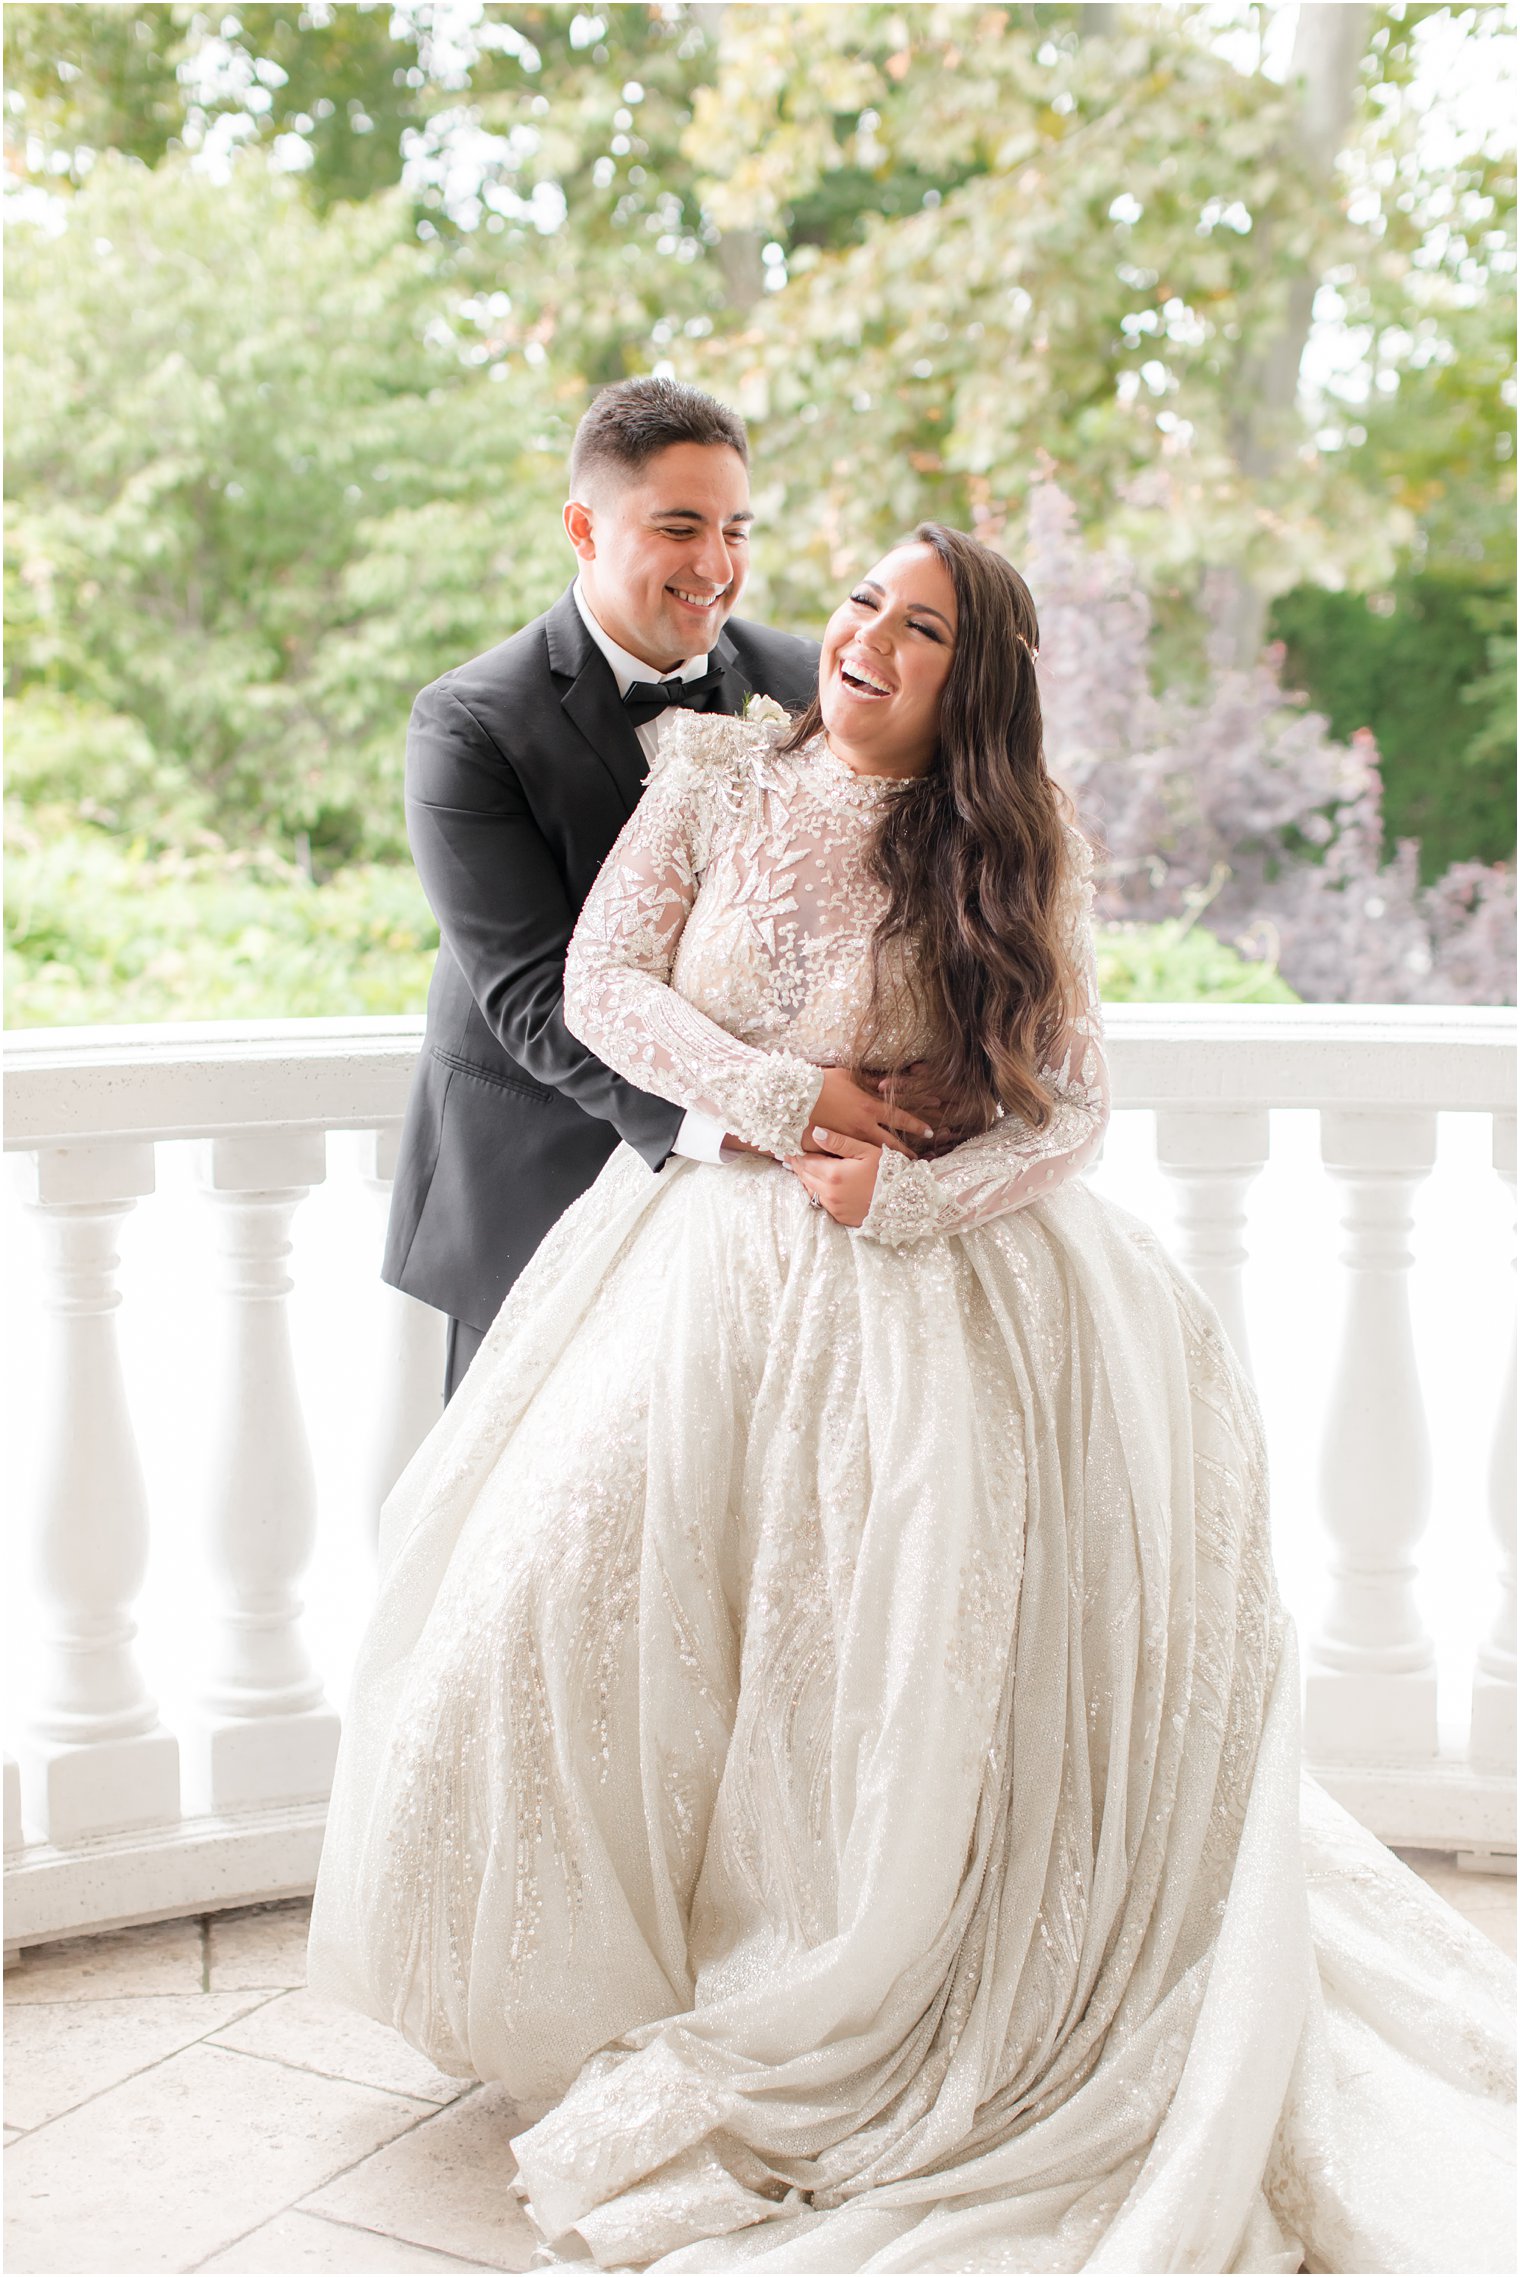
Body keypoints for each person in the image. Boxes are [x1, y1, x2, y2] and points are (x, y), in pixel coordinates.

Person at [309, 525, 1514, 2273]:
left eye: (921, 627)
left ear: (978, 678)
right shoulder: (716, 770)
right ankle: (581, 1992)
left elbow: (1073, 1105)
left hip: (913, 1301)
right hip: (692, 1260)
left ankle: (858, 1984)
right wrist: (789, 1102)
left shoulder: (1017, 843)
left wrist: (913, 1195)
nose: (865, 635)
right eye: (865, 600)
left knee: (858, 1670)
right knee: (564, 1607)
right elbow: (601, 985)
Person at [379, 377, 820, 1402]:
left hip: (756, 1209)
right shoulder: (468, 724)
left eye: (734, 530)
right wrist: (731, 1128)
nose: (714, 567)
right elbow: (535, 997)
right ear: (583, 526)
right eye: (678, 528)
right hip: (537, 1181)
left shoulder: (800, 684)